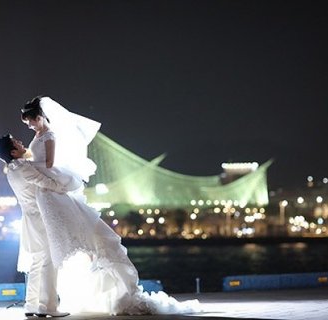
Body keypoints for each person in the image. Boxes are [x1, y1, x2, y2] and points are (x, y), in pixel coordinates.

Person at [14, 96, 201, 315]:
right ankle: (48, 301)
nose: (29, 126)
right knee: (57, 248)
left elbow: (49, 164)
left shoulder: (50, 136)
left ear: (38, 117)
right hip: (46, 197)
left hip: (51, 191)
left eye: (30, 122)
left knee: (71, 242)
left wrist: (25, 163)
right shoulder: (38, 135)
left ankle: (52, 302)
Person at [0, 135, 70, 318]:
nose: (21, 142)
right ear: (13, 152)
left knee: (38, 261)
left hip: (30, 219)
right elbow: (48, 183)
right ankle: (48, 307)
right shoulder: (23, 168)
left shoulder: (12, 169)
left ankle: (31, 305)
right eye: (16, 142)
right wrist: (67, 185)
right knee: (49, 260)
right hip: (41, 218)